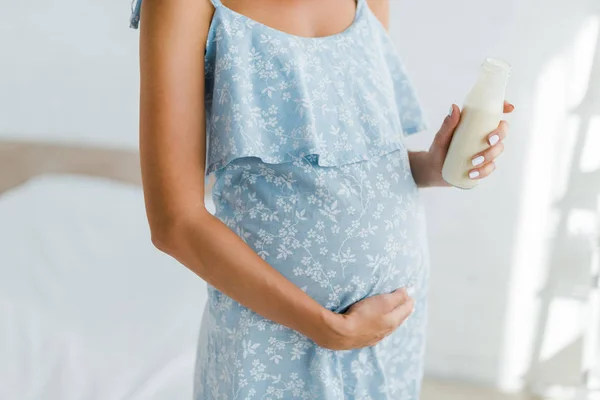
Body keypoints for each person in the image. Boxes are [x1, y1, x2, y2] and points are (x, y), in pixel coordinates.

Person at [130, 0, 514, 398]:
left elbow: (365, 158)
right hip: (273, 342)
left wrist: (434, 166)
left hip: (390, 336)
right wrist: (324, 327)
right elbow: (175, 222)